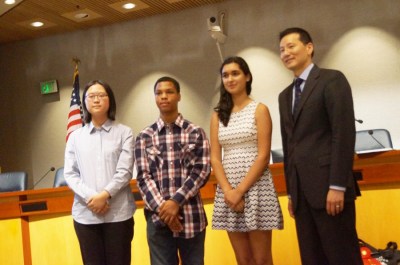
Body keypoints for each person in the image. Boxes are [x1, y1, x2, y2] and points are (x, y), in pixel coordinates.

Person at [278, 27, 363, 264]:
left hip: (330, 189)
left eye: (291, 46)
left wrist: (337, 185)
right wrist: (292, 193)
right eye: (281, 50)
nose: (285, 53)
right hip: (302, 195)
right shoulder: (284, 96)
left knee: (342, 256)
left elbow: (343, 134)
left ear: (309, 47)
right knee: (312, 258)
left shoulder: (331, 79)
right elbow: (290, 147)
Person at [211, 56, 283, 265]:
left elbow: (263, 156)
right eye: (225, 75)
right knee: (243, 260)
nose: (230, 79)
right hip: (228, 190)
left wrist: (240, 191)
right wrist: (229, 191)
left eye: (235, 73)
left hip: (256, 187)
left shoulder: (259, 109)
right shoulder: (217, 115)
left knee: (261, 259)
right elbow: (215, 158)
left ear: (247, 76)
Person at [134, 76, 211, 265]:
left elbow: (201, 171)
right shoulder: (144, 136)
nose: (164, 97)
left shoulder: (195, 132)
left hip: (191, 216)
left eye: (169, 92)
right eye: (159, 93)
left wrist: (175, 202)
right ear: (155, 98)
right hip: (158, 220)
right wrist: (164, 209)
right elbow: (143, 177)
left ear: (179, 96)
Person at [64, 80, 135, 265]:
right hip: (86, 216)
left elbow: (125, 171)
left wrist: (105, 195)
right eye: (91, 96)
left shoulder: (124, 132)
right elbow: (70, 174)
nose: (96, 100)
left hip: (118, 214)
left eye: (101, 95)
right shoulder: (75, 137)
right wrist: (93, 198)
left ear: (109, 100)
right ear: (85, 102)